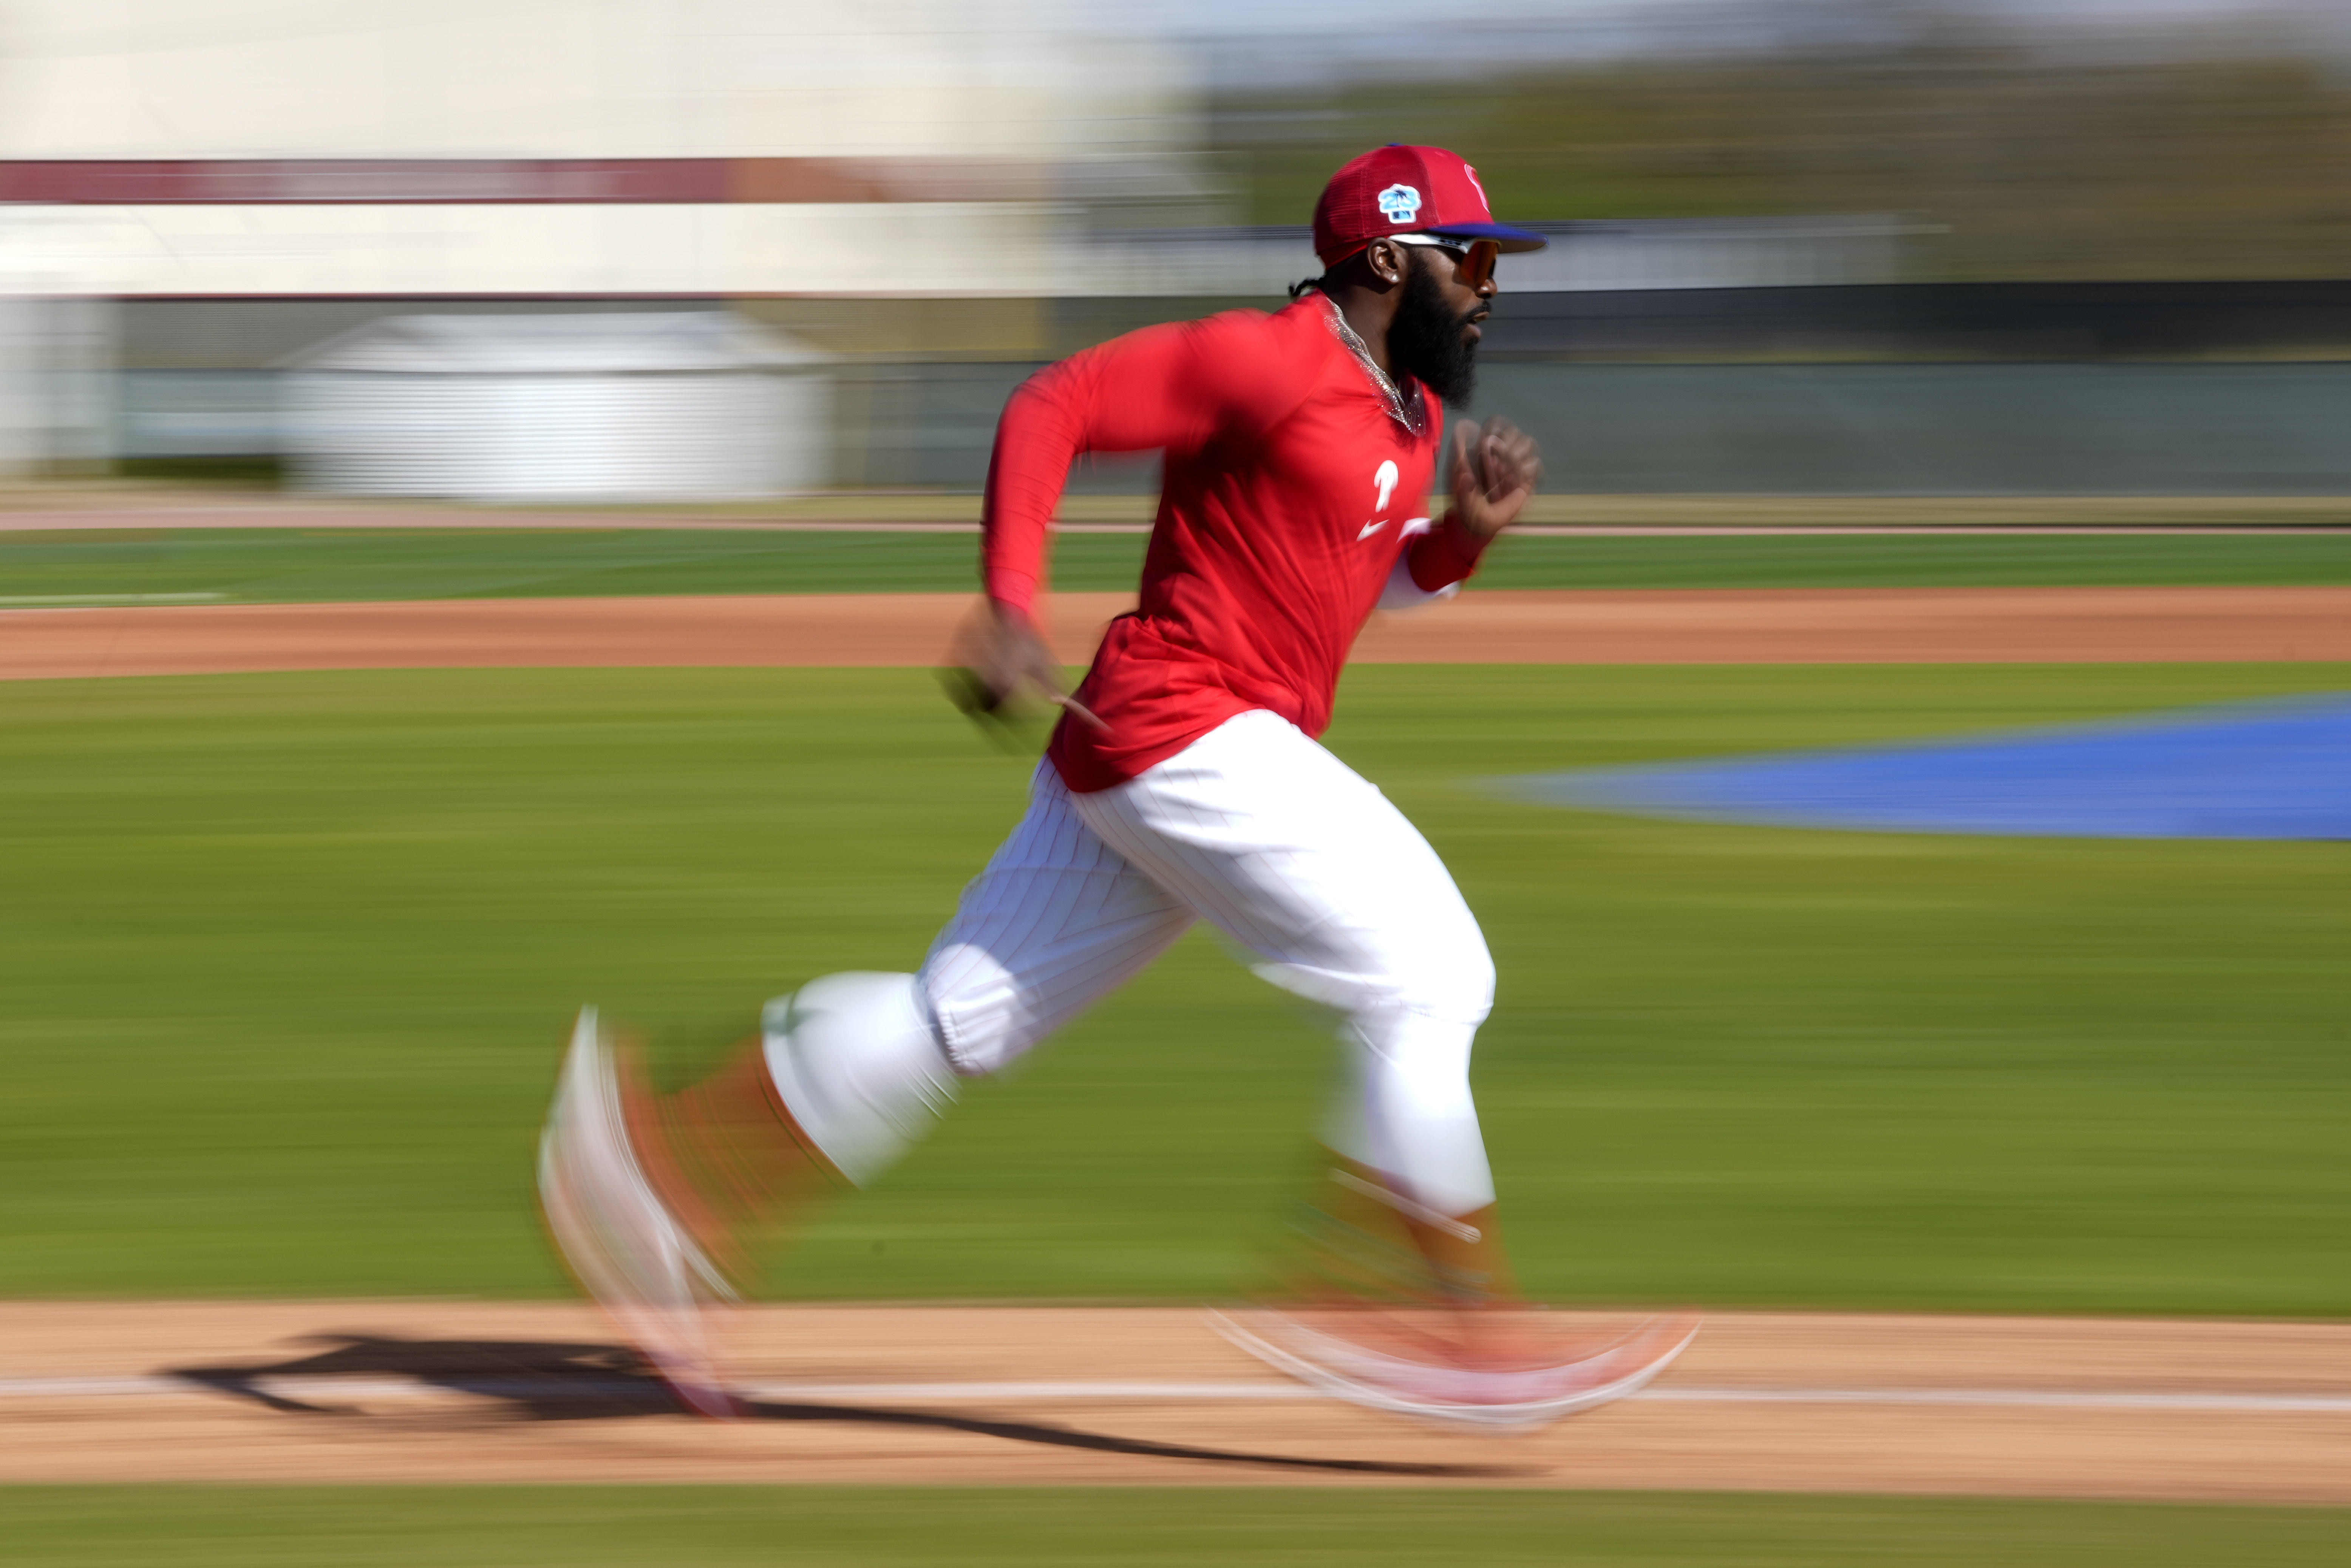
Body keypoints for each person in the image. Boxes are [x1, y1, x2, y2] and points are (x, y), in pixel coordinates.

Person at [540, 144, 1698, 1427]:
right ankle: (1438, 1319)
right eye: (1473, 255)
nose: (1493, 283)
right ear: (1386, 259)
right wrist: (1007, 600)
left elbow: (1344, 591)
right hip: (1187, 728)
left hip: (1153, 749)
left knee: (957, 1023)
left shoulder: (1406, 412)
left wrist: (1462, 545)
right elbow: (1055, 404)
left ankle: (662, 1168)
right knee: (1434, 977)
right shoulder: (1269, 359)